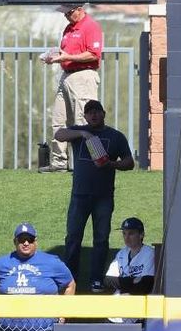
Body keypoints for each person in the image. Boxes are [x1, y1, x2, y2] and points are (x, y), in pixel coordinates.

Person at [55, 100, 134, 293]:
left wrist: (110, 164)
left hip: (103, 197)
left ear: (103, 113)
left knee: (101, 239)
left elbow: (129, 162)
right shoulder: (78, 132)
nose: (93, 115)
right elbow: (58, 134)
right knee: (73, 238)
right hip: (79, 196)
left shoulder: (115, 136)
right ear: (85, 116)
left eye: (97, 111)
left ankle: (96, 279)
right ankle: (70, 280)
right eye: (89, 112)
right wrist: (84, 134)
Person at [39, 3, 103, 172]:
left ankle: (90, 162)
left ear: (79, 10)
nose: (65, 16)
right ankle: (59, 162)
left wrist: (68, 57)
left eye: (68, 13)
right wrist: (55, 58)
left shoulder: (91, 26)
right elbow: (65, 54)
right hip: (66, 76)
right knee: (58, 120)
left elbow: (94, 54)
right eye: (64, 13)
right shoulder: (68, 28)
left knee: (85, 120)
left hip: (83, 76)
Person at [105, 216, 155, 324]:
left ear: (141, 235)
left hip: (137, 313)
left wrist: (121, 282)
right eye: (124, 233)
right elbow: (108, 281)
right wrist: (133, 280)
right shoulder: (122, 253)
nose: (126, 238)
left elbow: (146, 284)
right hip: (114, 313)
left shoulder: (149, 254)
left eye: (131, 233)